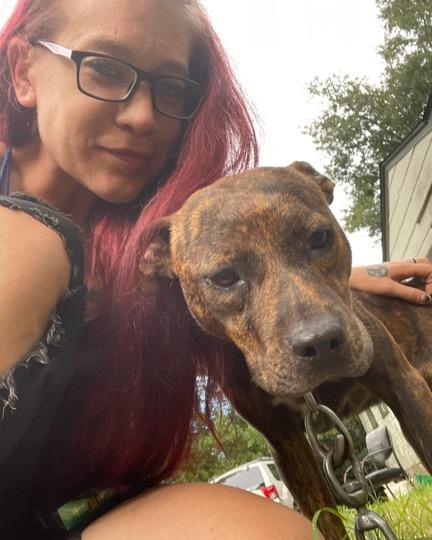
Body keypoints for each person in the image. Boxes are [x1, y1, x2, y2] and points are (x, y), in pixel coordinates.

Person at [0, 0, 431, 538]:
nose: (142, 116)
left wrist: (334, 276)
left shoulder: (159, 230)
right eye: (104, 68)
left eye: (172, 88)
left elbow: (245, 260)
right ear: (23, 70)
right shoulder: (33, 238)